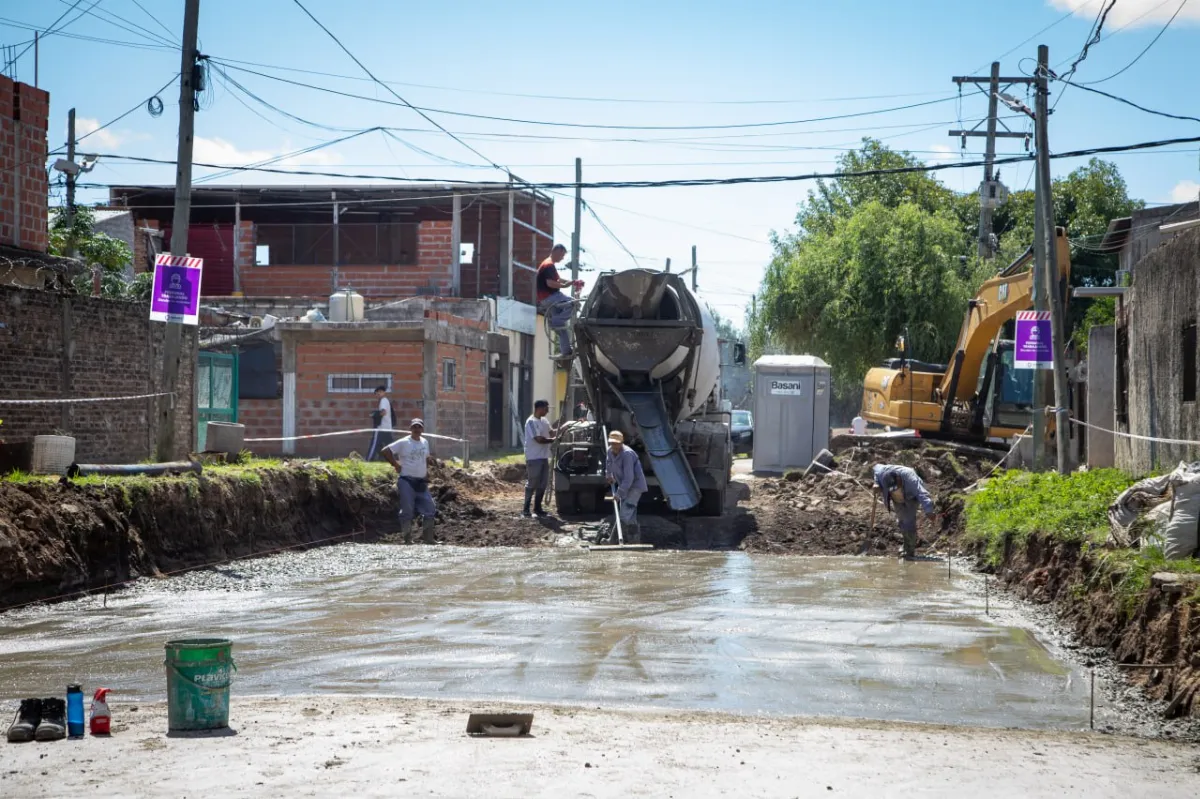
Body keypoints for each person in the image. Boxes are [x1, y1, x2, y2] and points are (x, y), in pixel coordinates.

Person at [382, 419, 437, 544]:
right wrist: (395, 464)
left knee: (430, 508)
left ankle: (428, 539)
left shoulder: (425, 442)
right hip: (407, 481)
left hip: (421, 482)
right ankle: (407, 539)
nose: (417, 429)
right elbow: (385, 451)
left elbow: (425, 458)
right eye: (414, 427)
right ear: (410, 429)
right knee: (407, 510)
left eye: (419, 427)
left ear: (422, 429)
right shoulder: (404, 442)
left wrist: (426, 471)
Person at [872, 463, 937, 559]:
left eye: (896, 487)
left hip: (910, 496)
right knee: (902, 521)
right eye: (892, 489)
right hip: (896, 499)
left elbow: (922, 494)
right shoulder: (881, 473)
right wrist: (876, 483)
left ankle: (909, 552)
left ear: (898, 479)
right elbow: (875, 468)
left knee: (909, 521)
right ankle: (906, 546)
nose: (895, 490)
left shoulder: (910, 478)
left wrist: (929, 511)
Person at [537, 244, 584, 358]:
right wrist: (564, 286)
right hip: (551, 297)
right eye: (562, 255)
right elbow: (550, 283)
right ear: (556, 251)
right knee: (575, 304)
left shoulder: (548, 264)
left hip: (546, 299)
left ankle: (566, 350)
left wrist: (572, 282)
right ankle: (555, 320)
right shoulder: (548, 265)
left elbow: (557, 279)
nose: (562, 258)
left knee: (561, 329)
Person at [605, 430, 647, 544]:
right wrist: (608, 475)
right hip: (624, 485)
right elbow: (608, 464)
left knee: (624, 514)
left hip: (635, 486)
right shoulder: (609, 451)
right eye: (612, 443)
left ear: (621, 443)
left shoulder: (627, 454)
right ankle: (634, 541)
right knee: (631, 516)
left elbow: (629, 478)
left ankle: (612, 541)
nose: (614, 446)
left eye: (617, 443)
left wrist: (619, 493)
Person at [522, 399, 557, 518]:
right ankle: (526, 509)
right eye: (546, 409)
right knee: (533, 482)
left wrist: (564, 428)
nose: (547, 411)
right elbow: (539, 439)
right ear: (539, 409)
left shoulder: (545, 421)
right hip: (533, 457)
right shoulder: (531, 422)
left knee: (543, 483)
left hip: (543, 456)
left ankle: (538, 508)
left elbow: (552, 433)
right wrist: (553, 440)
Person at [366, 385, 394, 461]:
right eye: (377, 393)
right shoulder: (385, 400)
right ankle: (390, 458)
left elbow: (383, 412)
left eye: (380, 392)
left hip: (381, 428)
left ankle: (368, 460)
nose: (379, 394)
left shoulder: (383, 400)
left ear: (384, 393)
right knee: (390, 446)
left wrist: (374, 414)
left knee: (374, 444)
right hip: (387, 428)